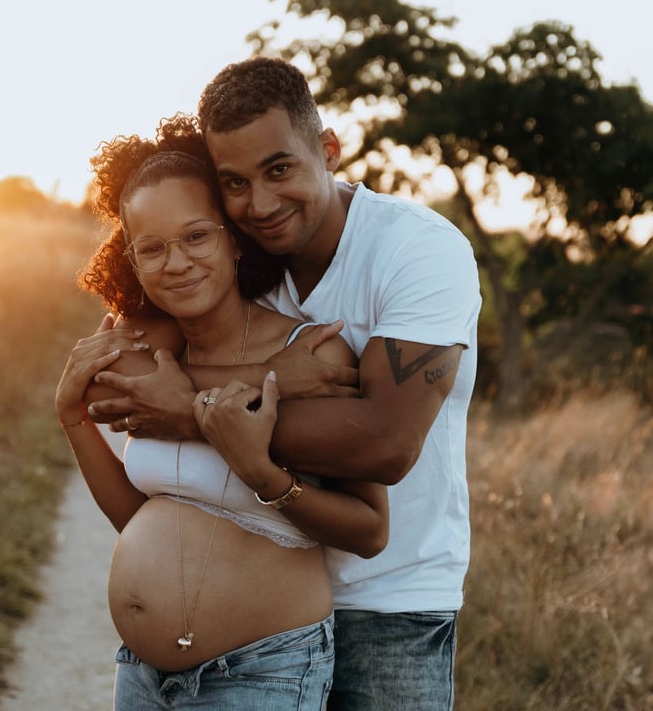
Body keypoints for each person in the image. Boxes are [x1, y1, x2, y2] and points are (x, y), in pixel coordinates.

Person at [87, 57, 482, 711]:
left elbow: (386, 444)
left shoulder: (417, 251)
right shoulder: (238, 250)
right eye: (234, 183)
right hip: (274, 606)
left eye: (280, 169)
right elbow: (125, 370)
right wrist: (271, 378)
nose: (260, 204)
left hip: (390, 599)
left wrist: (191, 409)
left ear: (327, 150)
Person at [54, 114, 389, 710]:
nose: (175, 262)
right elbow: (140, 519)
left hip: (263, 670)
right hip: (142, 675)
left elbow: (369, 530)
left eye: (196, 237)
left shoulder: (311, 354)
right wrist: (72, 420)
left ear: (234, 238)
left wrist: (268, 476)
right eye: (151, 248)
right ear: (133, 260)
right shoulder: (150, 356)